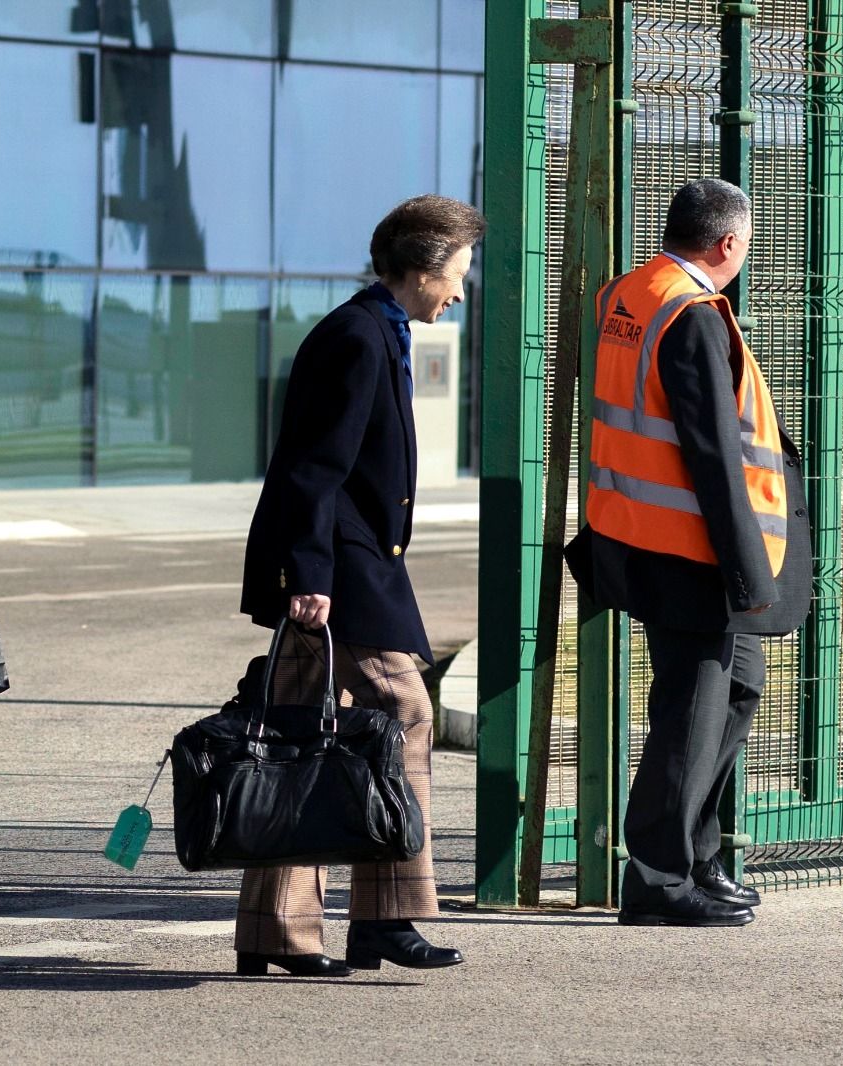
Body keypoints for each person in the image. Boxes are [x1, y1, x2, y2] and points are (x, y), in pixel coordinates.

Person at [235, 194, 484, 977]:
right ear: (423, 266)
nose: (460, 290)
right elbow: (313, 469)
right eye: (458, 274)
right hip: (339, 568)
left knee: (302, 737)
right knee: (404, 709)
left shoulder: (380, 330)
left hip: (351, 565)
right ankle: (387, 917)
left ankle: (278, 931)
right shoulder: (358, 336)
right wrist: (308, 576)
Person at [565, 178, 811, 927]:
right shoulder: (693, 313)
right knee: (692, 711)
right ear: (728, 244)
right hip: (692, 553)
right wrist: (748, 570)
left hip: (647, 539)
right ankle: (656, 879)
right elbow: (713, 457)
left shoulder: (630, 293)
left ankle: (697, 854)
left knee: (735, 691)